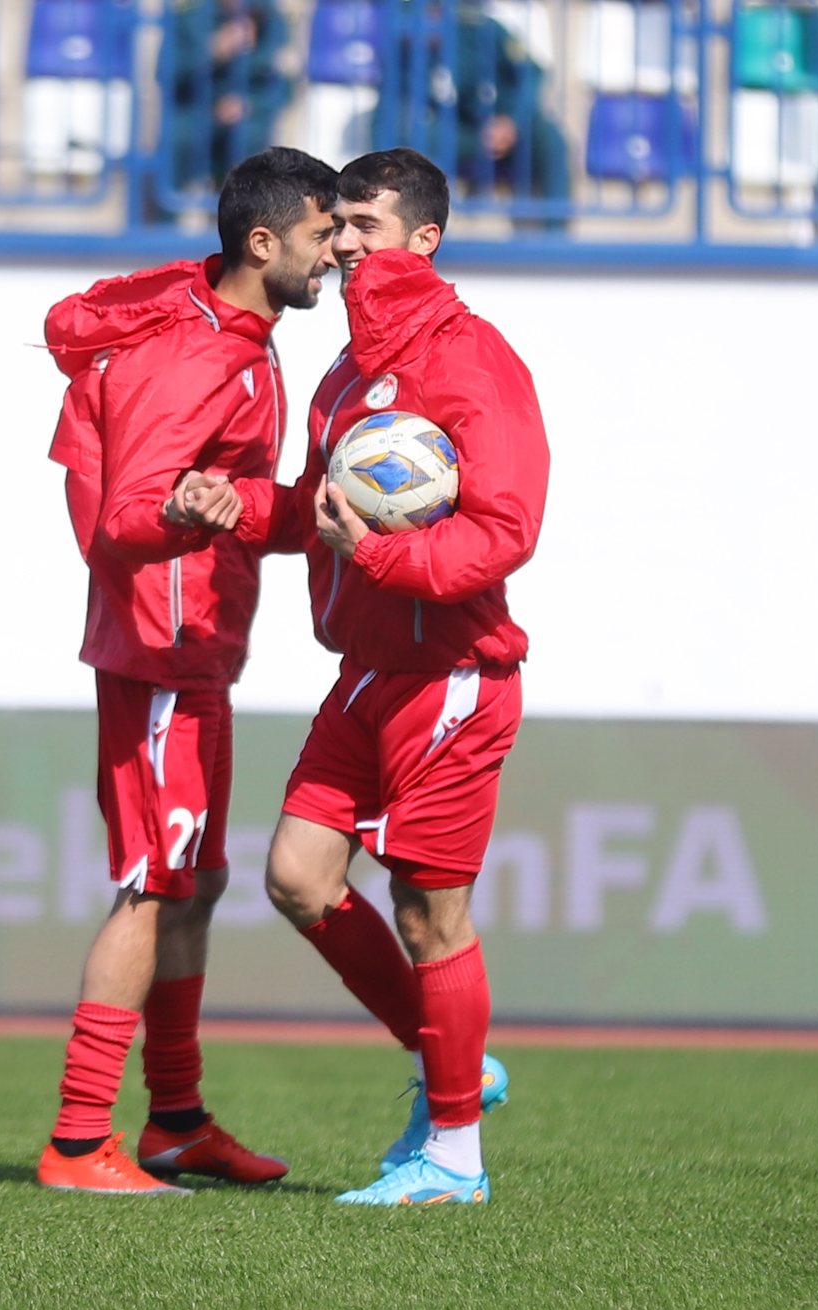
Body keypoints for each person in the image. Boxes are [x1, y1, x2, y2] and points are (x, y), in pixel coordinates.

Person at [183, 148, 548, 1205]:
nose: (341, 243)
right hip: (366, 673)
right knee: (297, 876)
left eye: (364, 227)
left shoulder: (471, 362)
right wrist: (242, 508)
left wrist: (378, 556)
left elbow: (503, 531)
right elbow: (319, 510)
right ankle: (455, 1066)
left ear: (423, 241)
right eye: (334, 224)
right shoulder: (346, 373)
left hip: (453, 675)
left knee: (432, 918)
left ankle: (452, 1160)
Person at [35, 146, 339, 1195]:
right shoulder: (197, 354)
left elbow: (233, 501)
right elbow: (123, 515)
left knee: (195, 883)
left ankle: (172, 1120)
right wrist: (177, 509)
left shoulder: (242, 341)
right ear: (262, 244)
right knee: (152, 887)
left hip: (196, 652)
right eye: (319, 236)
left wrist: (317, 514)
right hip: (158, 653)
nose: (335, 254)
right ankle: (78, 1142)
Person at [453, 3, 570, 233]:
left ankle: (557, 241)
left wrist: (511, 123)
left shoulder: (484, 27)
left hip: (509, 125)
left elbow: (532, 73)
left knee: (551, 140)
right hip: (462, 130)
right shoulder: (412, 38)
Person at [169, 0, 293, 193]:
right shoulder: (190, 18)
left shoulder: (271, 21)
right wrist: (211, 52)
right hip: (195, 116)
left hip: (249, 122)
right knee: (176, 144)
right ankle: (167, 219)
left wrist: (250, 104)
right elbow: (166, 76)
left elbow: (286, 85)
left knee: (251, 142)